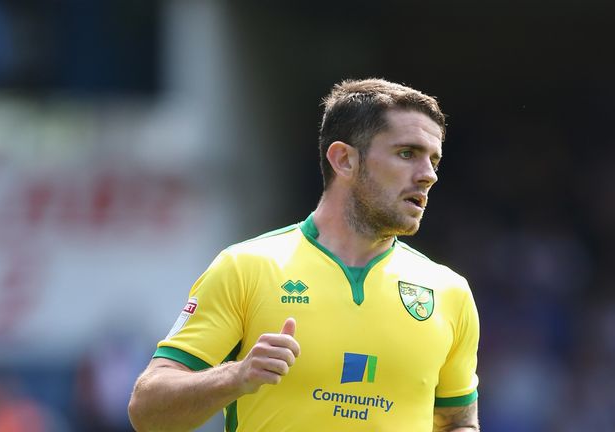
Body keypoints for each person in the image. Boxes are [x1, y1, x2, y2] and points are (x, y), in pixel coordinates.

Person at [128, 78, 480, 431]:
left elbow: (457, 422)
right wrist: (236, 376)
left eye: (433, 159)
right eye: (407, 154)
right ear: (344, 160)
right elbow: (147, 410)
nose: (429, 176)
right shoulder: (247, 267)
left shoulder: (449, 292)